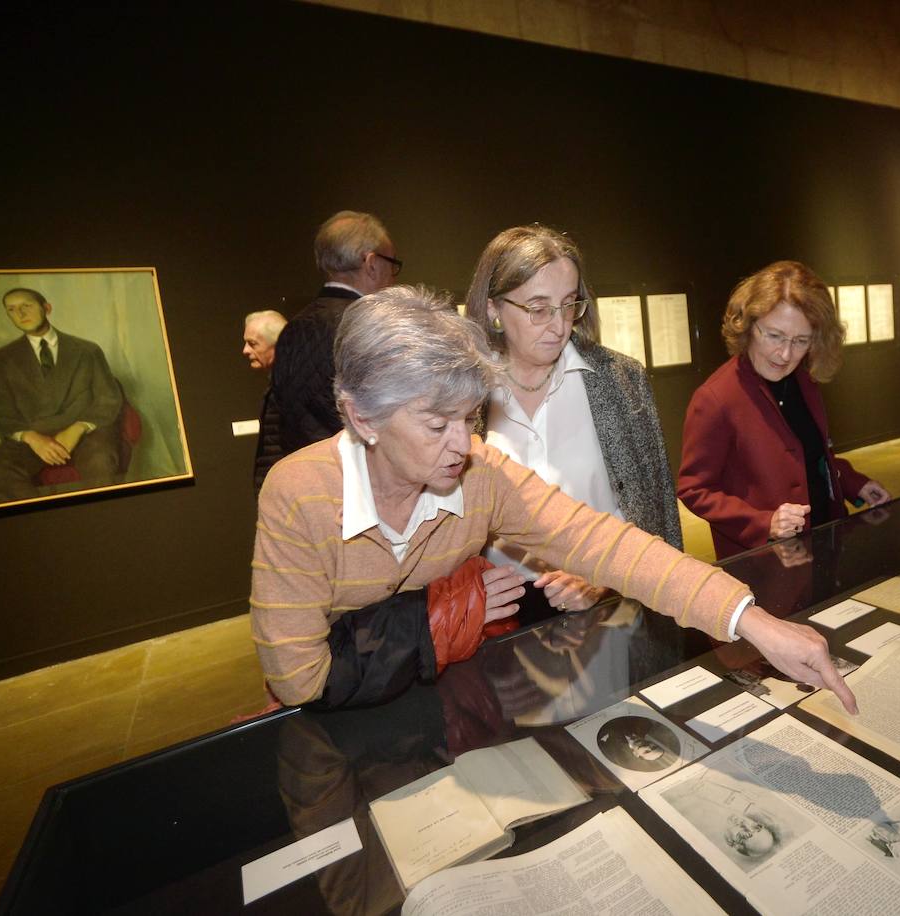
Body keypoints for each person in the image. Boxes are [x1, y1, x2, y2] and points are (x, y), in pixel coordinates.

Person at [250, 285, 859, 716]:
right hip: (338, 726)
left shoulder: (480, 474)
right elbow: (300, 679)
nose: (462, 444)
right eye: (437, 424)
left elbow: (607, 544)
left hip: (441, 709)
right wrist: (440, 617)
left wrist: (753, 622)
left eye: (468, 417)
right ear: (363, 417)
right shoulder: (298, 494)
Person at [465, 225, 682, 612]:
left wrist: (602, 576)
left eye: (569, 304)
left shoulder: (620, 381)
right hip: (501, 616)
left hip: (609, 609)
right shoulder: (463, 392)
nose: (560, 325)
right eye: (538, 309)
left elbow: (652, 508)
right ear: (493, 308)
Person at [677, 261, 890, 559]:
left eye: (801, 341)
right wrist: (764, 522)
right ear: (748, 325)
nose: (786, 354)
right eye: (775, 336)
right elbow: (695, 489)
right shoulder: (715, 398)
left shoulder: (804, 381)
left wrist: (854, 483)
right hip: (765, 561)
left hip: (825, 541)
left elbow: (811, 455)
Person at [270, 210, 400, 456]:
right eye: (392, 264)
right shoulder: (372, 326)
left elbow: (282, 416)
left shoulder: (292, 328)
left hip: (305, 465)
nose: (393, 277)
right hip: (360, 467)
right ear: (372, 264)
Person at [0, 287, 123, 501]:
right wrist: (31, 438)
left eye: (26, 306)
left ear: (46, 308)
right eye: (12, 309)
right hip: (33, 436)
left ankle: (101, 517)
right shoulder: (1, 359)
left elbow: (108, 398)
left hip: (85, 433)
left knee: (100, 462)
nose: (21, 314)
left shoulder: (87, 351)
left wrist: (78, 428)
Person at [243, 309, 288, 491]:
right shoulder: (279, 384)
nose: (245, 350)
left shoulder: (288, 386)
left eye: (252, 344)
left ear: (277, 345)